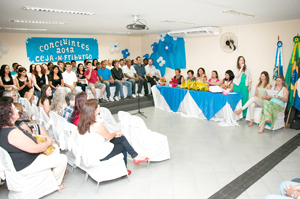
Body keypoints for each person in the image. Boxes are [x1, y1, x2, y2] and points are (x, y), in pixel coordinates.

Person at [0, 101, 67, 190]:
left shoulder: (10, 127)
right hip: (25, 165)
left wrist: (43, 138)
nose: (17, 111)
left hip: (24, 159)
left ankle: (48, 177)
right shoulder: (12, 133)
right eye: (14, 109)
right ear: (8, 115)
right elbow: (35, 149)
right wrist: (48, 142)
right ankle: (54, 185)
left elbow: (28, 137)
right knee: (62, 159)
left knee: (55, 149)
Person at [77, 99, 149, 172]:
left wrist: (115, 134)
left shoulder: (83, 121)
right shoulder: (96, 125)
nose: (99, 106)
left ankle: (135, 157)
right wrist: (115, 133)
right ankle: (125, 169)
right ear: (94, 110)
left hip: (92, 150)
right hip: (98, 153)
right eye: (97, 106)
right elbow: (108, 137)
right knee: (123, 145)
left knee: (121, 138)